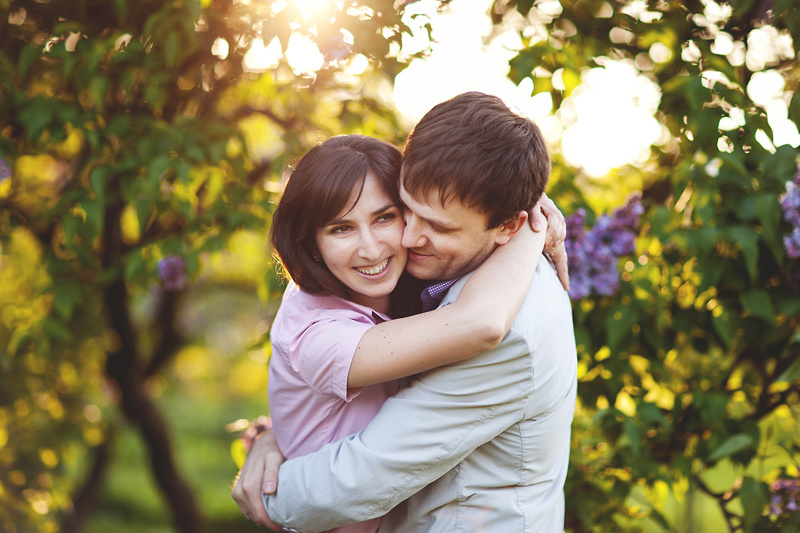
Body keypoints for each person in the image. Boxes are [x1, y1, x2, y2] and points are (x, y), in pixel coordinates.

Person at [234, 91, 577, 533]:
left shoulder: (506, 318)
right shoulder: (344, 308)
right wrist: (270, 442)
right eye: (407, 210)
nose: (408, 239)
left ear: (505, 224)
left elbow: (358, 477)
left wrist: (270, 492)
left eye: (385, 217)